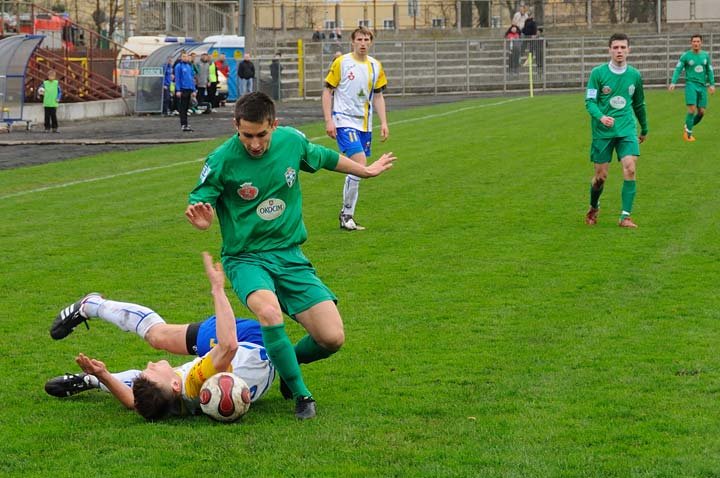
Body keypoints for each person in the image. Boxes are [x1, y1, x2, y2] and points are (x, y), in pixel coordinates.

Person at [185, 92, 396, 419]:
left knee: (331, 338)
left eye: (261, 135)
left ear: (274, 125)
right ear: (236, 127)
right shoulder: (221, 160)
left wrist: (365, 171)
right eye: (246, 136)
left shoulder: (291, 142)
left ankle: (285, 365)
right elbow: (202, 201)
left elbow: (324, 157)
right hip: (246, 259)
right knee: (269, 314)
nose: (254, 144)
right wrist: (204, 218)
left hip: (289, 256)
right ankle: (302, 396)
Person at [47, 252, 275, 420]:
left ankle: (88, 378)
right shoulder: (195, 380)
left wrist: (102, 375)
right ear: (176, 385)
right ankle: (92, 305)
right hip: (253, 342)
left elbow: (131, 401)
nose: (150, 364)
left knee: (146, 379)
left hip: (255, 368)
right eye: (153, 371)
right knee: (158, 336)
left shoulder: (170, 405)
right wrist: (217, 289)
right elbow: (229, 346)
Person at [322, 26, 389, 231]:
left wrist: (384, 122)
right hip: (344, 120)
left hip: (364, 124)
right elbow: (327, 92)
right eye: (359, 39)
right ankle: (346, 215)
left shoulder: (376, 66)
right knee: (360, 163)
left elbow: (377, 96)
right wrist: (329, 120)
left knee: (360, 167)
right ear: (352, 41)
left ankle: (347, 215)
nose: (363, 43)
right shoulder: (342, 62)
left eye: (366, 39)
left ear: (371, 42)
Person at [584, 33, 648, 229]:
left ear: (629, 50)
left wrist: (644, 127)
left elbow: (639, 104)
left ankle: (625, 217)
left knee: (630, 167)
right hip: (603, 131)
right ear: (609, 50)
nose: (619, 51)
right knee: (600, 178)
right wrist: (601, 117)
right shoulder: (598, 73)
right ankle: (594, 207)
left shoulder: (635, 75)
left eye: (623, 47)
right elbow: (590, 101)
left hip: (627, 129)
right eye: (616, 47)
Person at [669, 34, 716, 142]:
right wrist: (673, 82)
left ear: (701, 43)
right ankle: (688, 135)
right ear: (691, 43)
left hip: (702, 86)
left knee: (701, 112)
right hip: (691, 84)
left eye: (698, 41)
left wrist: (712, 84)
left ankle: (688, 125)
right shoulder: (685, 56)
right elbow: (678, 69)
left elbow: (709, 70)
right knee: (692, 109)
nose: (696, 43)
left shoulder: (705, 56)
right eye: (694, 41)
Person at [174, 51, 196, 132]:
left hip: (189, 89)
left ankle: (186, 123)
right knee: (182, 108)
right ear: (181, 57)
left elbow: (192, 78)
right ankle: (183, 124)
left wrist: (193, 90)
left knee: (187, 107)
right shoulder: (178, 66)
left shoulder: (189, 66)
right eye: (184, 56)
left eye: (186, 56)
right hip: (183, 89)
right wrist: (178, 90)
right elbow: (177, 79)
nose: (185, 58)